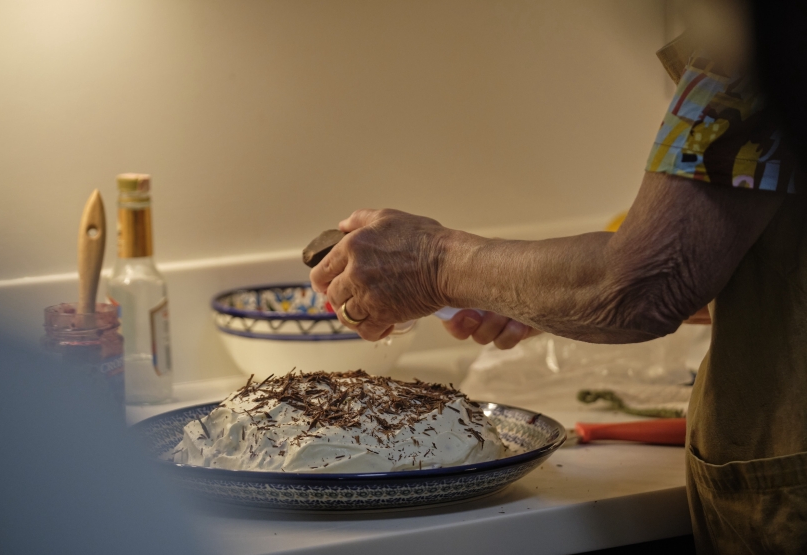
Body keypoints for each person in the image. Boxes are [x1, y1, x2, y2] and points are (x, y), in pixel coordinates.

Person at [309, 2, 807, 553]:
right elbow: (754, 270)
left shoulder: (761, 42)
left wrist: (433, 263)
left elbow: (646, 283)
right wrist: (531, 293)